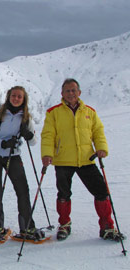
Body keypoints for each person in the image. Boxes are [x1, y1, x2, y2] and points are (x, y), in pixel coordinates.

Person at [41, 78, 124, 241]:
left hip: (87, 159)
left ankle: (107, 226)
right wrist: (47, 154)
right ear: (62, 94)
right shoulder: (53, 112)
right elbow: (48, 135)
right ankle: (64, 224)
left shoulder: (89, 112)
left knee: (101, 191)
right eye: (67, 91)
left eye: (73, 90)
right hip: (63, 160)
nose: (70, 93)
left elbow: (98, 131)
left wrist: (101, 148)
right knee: (63, 194)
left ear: (79, 93)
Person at [0, 86, 44, 241]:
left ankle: (27, 227)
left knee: (22, 190)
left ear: (24, 100)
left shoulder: (26, 118)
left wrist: (29, 135)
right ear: (8, 97)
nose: (16, 99)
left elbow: (34, 142)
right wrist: (3, 143)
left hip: (13, 156)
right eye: (14, 96)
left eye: (19, 97)